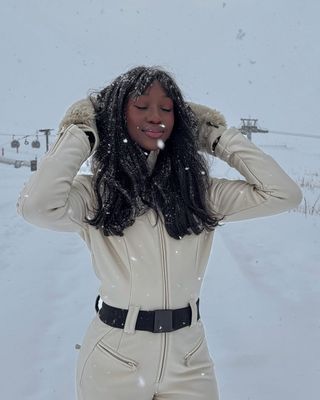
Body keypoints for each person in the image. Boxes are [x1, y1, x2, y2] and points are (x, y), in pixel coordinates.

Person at [17, 66, 302, 400]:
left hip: (189, 359)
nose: (156, 116)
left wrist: (213, 135)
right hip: (115, 359)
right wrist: (83, 130)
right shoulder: (97, 194)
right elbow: (36, 207)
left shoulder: (200, 194)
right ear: (117, 116)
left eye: (167, 108)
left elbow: (283, 194)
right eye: (141, 106)